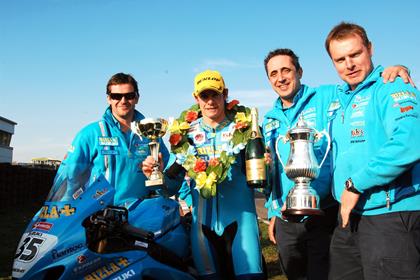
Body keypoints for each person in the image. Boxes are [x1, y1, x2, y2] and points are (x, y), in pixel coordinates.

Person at [262, 48, 413, 280]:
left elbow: (362, 84)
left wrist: (396, 70)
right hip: (285, 219)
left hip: (325, 212)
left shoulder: (327, 96)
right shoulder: (268, 120)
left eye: (286, 70)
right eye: (273, 73)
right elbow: (273, 172)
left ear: (299, 71)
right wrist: (273, 210)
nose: (280, 78)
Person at [143, 70, 265, 279]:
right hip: (202, 229)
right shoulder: (185, 134)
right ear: (195, 98)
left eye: (215, 95)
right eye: (204, 96)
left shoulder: (245, 128)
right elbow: (170, 187)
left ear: (225, 94)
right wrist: (155, 174)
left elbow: (262, 182)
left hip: (241, 223)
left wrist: (268, 168)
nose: (210, 101)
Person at [325, 22, 420, 279]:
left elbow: (411, 140)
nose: (349, 64)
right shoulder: (340, 98)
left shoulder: (391, 86)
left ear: (370, 48)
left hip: (391, 215)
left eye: (355, 54)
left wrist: (356, 184)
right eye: (340, 59)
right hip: (349, 216)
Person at [58, 72, 172, 207]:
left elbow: (169, 178)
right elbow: (69, 177)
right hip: (98, 216)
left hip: (140, 216)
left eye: (129, 96)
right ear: (109, 99)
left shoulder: (151, 133)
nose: (123, 101)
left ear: (137, 98)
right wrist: (62, 210)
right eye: (116, 96)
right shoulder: (90, 134)